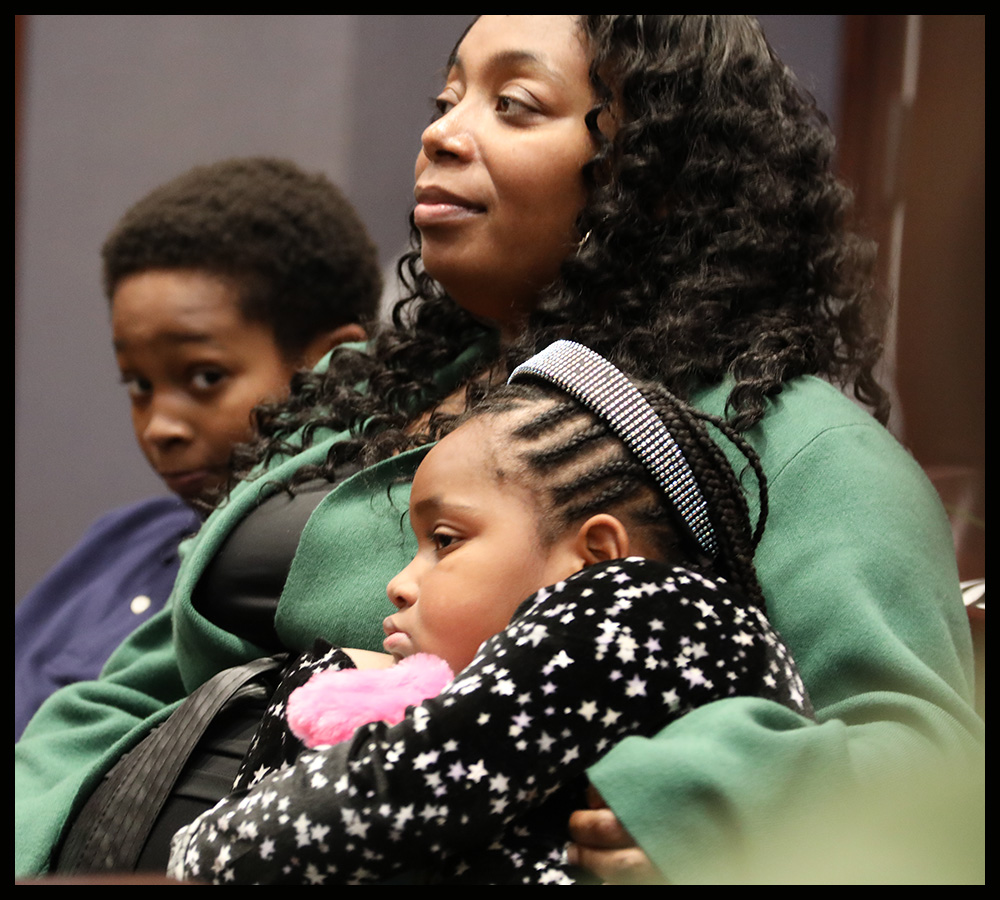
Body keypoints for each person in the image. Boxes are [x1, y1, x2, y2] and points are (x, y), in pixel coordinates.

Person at [16, 16, 981, 883]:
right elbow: (129, 689)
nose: (440, 131)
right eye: (447, 99)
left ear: (658, 172)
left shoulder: (790, 442)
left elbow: (923, 781)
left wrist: (688, 809)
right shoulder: (366, 400)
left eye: (514, 104)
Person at [167, 342, 811, 884]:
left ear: (597, 556)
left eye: (444, 541)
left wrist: (199, 849)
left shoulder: (648, 610)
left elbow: (410, 785)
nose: (398, 585)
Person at [14, 157, 381, 740]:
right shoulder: (117, 542)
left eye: (205, 377)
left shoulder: (320, 582)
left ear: (337, 366)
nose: (160, 425)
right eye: (139, 384)